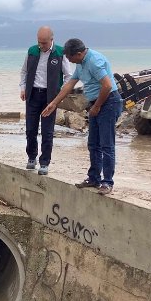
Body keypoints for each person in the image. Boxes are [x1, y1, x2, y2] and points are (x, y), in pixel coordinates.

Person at [42, 39, 122, 195]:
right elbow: (69, 85)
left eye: (71, 58)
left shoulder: (94, 61)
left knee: (106, 145)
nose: (70, 61)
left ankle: (107, 182)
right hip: (95, 103)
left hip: (109, 102)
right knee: (93, 144)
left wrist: (97, 106)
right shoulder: (81, 63)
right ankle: (94, 178)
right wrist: (54, 103)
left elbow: (106, 85)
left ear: (79, 53)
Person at [19, 26, 73, 174]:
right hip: (32, 94)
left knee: (47, 131)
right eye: (39, 42)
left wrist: (61, 95)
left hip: (50, 97)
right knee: (31, 129)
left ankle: (44, 162)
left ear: (51, 40)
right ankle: (31, 157)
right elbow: (24, 72)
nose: (41, 46)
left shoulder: (60, 53)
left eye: (44, 43)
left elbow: (69, 76)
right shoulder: (32, 51)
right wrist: (23, 88)